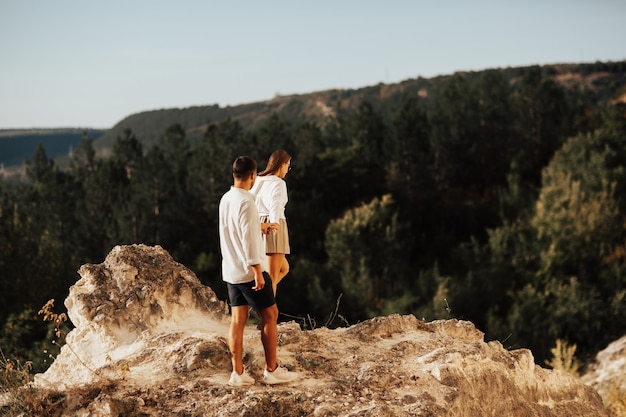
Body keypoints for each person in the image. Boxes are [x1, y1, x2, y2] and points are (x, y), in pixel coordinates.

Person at [218, 156, 298, 386]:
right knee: (270, 315)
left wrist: (260, 226)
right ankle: (271, 370)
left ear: (234, 174)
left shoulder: (226, 199)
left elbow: (233, 230)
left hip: (231, 270)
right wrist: (256, 270)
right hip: (249, 270)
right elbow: (249, 240)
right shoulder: (247, 202)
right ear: (252, 175)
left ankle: (238, 373)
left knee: (237, 320)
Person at [249, 150, 292, 296]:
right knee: (271, 277)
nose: (287, 170)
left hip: (259, 225)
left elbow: (249, 201)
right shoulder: (279, 183)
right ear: (282, 165)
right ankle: (266, 314)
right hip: (274, 224)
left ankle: (258, 300)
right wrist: (275, 224)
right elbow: (275, 204)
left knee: (283, 268)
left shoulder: (258, 180)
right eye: (288, 166)